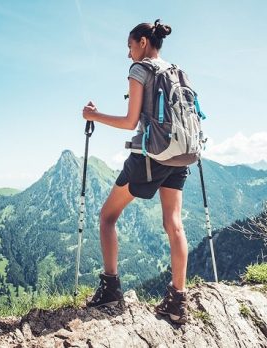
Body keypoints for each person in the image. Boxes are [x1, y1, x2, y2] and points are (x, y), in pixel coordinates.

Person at [82, 19, 189, 324]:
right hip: (181, 155)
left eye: (130, 46)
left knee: (106, 217)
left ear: (143, 42)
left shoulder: (140, 69)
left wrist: (93, 115)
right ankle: (177, 301)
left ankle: (111, 287)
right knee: (175, 224)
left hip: (152, 156)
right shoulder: (176, 71)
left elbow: (130, 123)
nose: (128, 54)